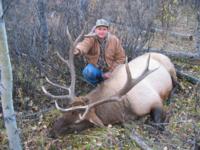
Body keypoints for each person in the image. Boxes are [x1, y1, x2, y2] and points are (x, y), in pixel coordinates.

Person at [74, 19, 126, 85]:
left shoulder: (114, 40)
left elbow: (121, 58)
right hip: (96, 71)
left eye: (104, 29)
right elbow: (84, 45)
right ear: (95, 30)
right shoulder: (91, 38)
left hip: (111, 71)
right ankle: (97, 84)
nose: (101, 31)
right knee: (88, 71)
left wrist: (111, 71)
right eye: (99, 29)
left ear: (107, 30)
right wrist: (78, 50)